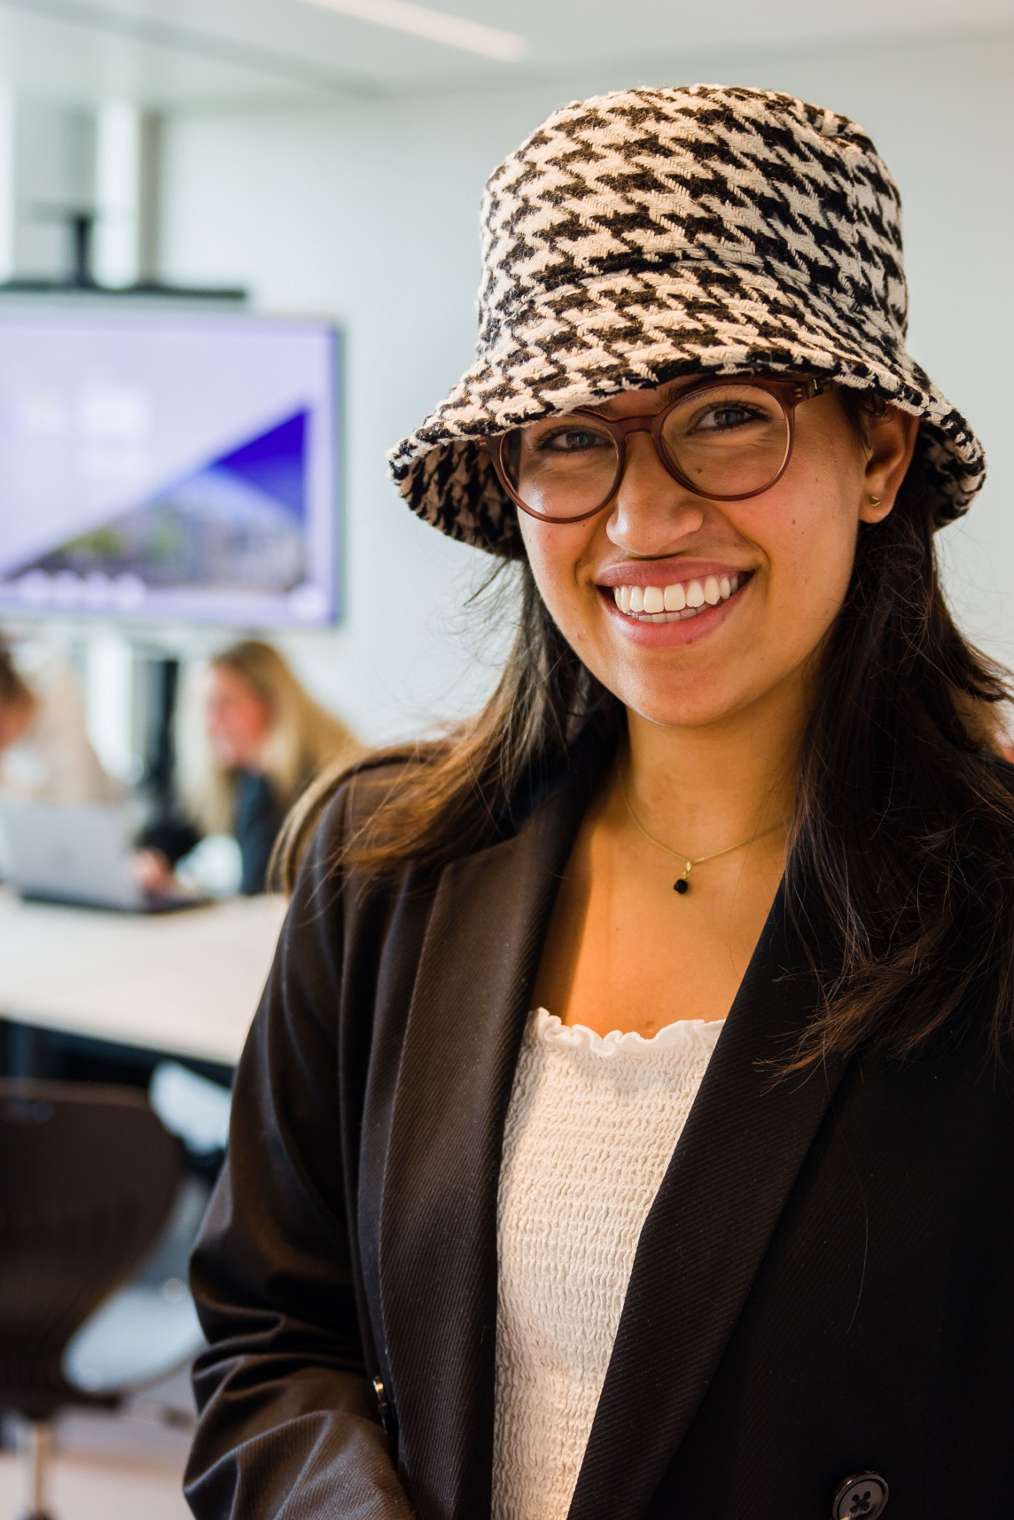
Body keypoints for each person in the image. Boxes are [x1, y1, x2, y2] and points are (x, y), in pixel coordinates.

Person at [183, 86, 1014, 1520]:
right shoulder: (386, 864)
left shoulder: (990, 897)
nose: (641, 522)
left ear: (876, 456)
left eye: (726, 418)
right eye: (569, 439)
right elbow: (271, 1337)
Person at [135, 639, 360, 896]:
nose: (211, 723)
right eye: (208, 706)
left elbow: (262, 893)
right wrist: (155, 854)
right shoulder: (241, 775)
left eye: (226, 703)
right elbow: (183, 823)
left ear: (271, 703)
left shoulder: (314, 784)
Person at [0, 638, 119, 804]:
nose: (3, 745)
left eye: (2, 730)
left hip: (101, 812)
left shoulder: (59, 697)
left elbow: (78, 800)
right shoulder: (14, 745)